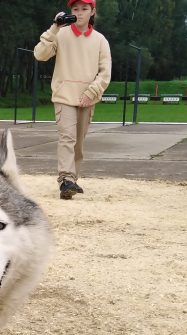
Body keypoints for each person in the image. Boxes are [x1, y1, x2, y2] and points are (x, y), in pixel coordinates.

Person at [33, 0, 111, 200]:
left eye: (84, 9)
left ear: (92, 11)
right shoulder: (61, 34)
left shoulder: (100, 40)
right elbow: (40, 55)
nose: (80, 13)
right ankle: (65, 179)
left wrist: (91, 93)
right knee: (67, 138)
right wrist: (54, 27)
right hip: (64, 95)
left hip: (87, 98)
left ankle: (72, 180)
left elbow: (105, 73)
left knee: (78, 143)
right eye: (75, 9)